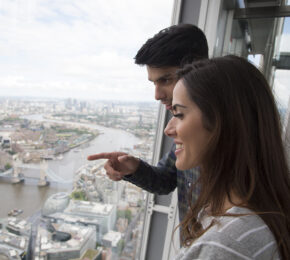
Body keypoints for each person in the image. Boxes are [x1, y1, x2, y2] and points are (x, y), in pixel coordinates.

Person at [164, 55, 290, 259]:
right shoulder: (259, 214)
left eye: (179, 114)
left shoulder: (224, 245)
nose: (168, 130)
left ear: (222, 123)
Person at [87, 24, 209, 223]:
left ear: (198, 70)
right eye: (154, 83)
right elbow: (167, 179)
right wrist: (134, 168)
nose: (157, 95)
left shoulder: (236, 137)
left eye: (166, 80)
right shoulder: (183, 124)